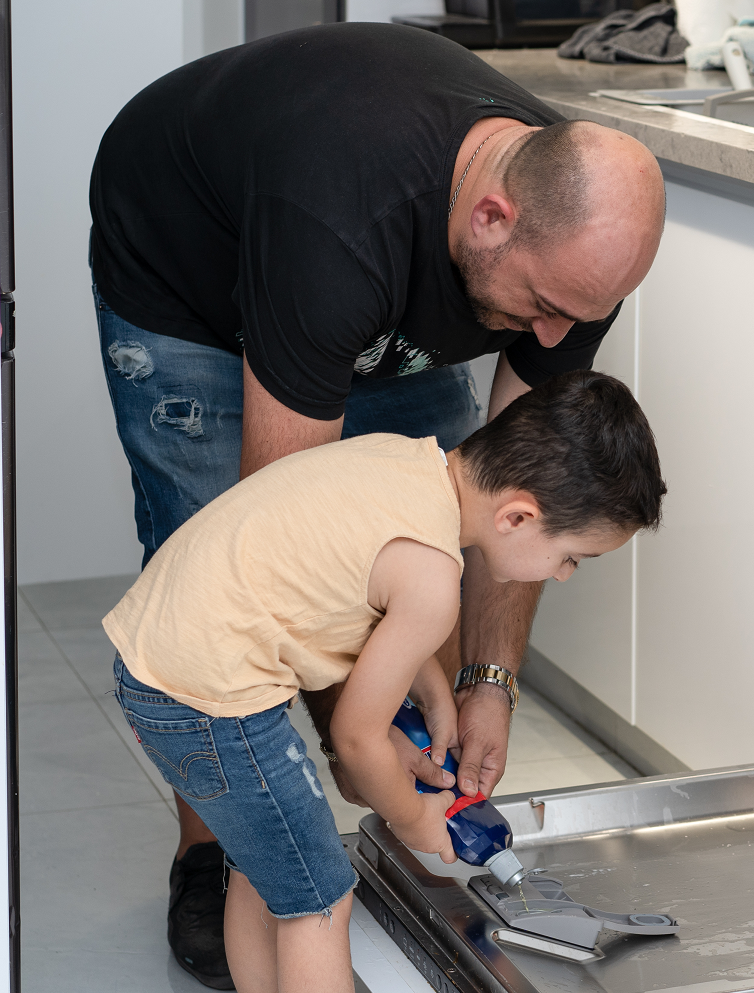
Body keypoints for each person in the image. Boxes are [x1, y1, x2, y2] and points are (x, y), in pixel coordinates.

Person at [88, 20, 666, 988]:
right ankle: (221, 848)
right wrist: (387, 787)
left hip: (362, 279)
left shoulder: (564, 260)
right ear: (489, 218)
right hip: (190, 275)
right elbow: (278, 533)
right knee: (242, 614)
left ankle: (272, 849)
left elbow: (507, 479)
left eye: (583, 312)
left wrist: (482, 682)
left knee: (411, 542)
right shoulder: (335, 225)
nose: (558, 331)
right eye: (544, 303)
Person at [102, 370, 667, 993]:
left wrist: (427, 683)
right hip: (209, 702)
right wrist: (413, 819)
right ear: (517, 516)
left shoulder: (406, 464)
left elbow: (358, 583)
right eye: (570, 557)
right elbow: (356, 738)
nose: (562, 575)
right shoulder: (432, 578)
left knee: (267, 869)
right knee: (321, 894)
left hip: (158, 662)